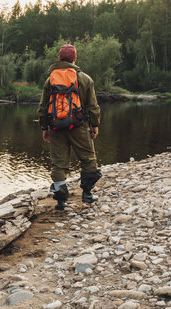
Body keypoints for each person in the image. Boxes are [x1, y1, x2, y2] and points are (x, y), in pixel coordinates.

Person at [37, 44, 102, 210]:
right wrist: (94, 125)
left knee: (58, 163)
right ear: (75, 58)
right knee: (88, 158)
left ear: (59, 58)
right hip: (79, 127)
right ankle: (87, 195)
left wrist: (45, 127)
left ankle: (61, 201)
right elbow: (92, 106)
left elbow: (43, 107)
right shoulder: (85, 78)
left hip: (56, 127)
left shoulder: (49, 79)